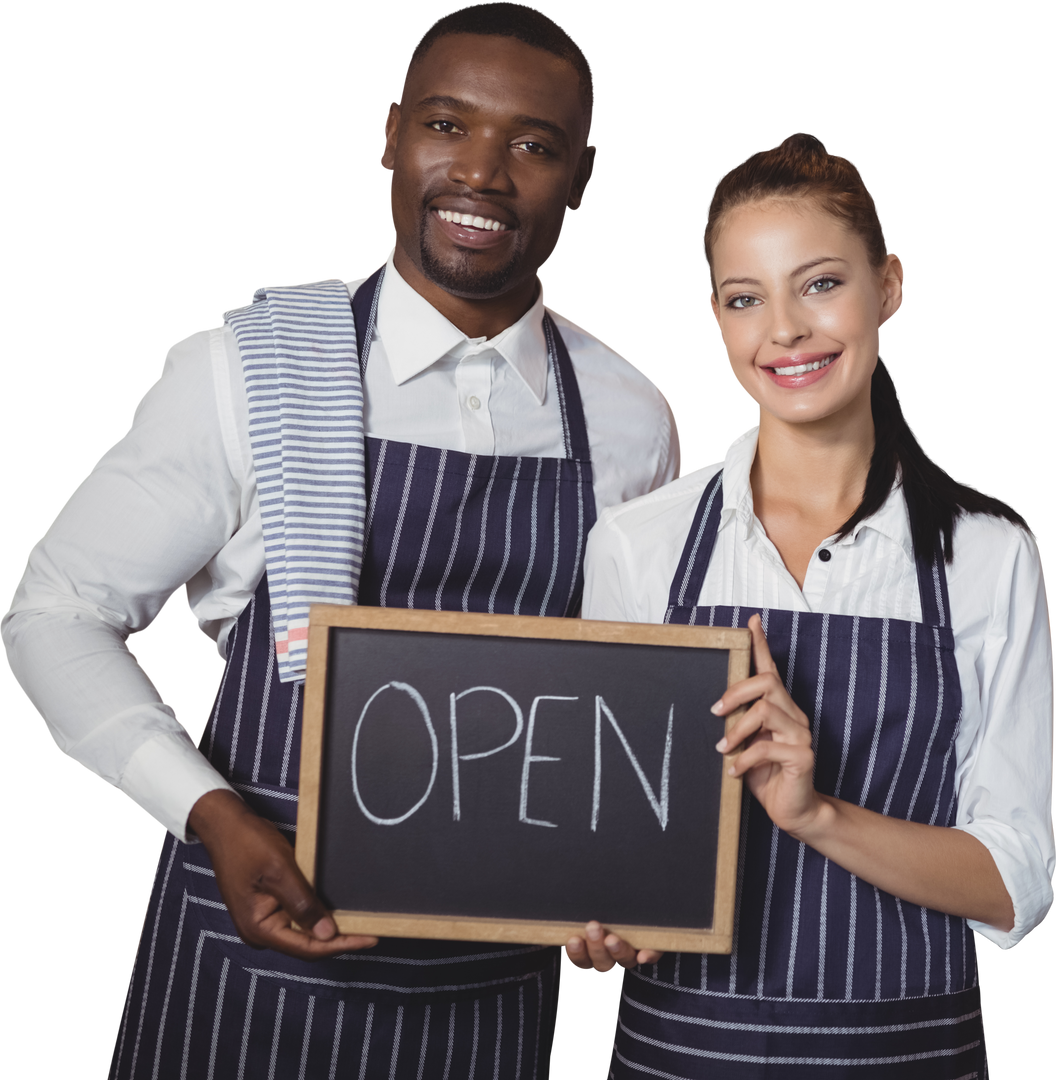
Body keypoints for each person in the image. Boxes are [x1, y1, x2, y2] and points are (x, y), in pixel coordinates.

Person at [0, 4, 682, 1077]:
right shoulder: (246, 366)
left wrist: (620, 890)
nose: (483, 175)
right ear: (389, 136)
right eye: (448, 126)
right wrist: (211, 816)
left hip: (492, 992)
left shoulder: (631, 414)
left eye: (534, 146)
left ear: (583, 178)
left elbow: (623, 711)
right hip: (246, 965)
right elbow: (54, 616)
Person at [565, 131, 1054, 1078]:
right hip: (680, 1050)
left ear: (891, 286)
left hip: (908, 1056)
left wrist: (814, 813)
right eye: (746, 299)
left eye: (820, 283)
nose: (783, 329)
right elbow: (607, 840)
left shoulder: (992, 558)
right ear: (716, 316)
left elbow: (1014, 882)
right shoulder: (639, 545)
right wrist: (593, 922)